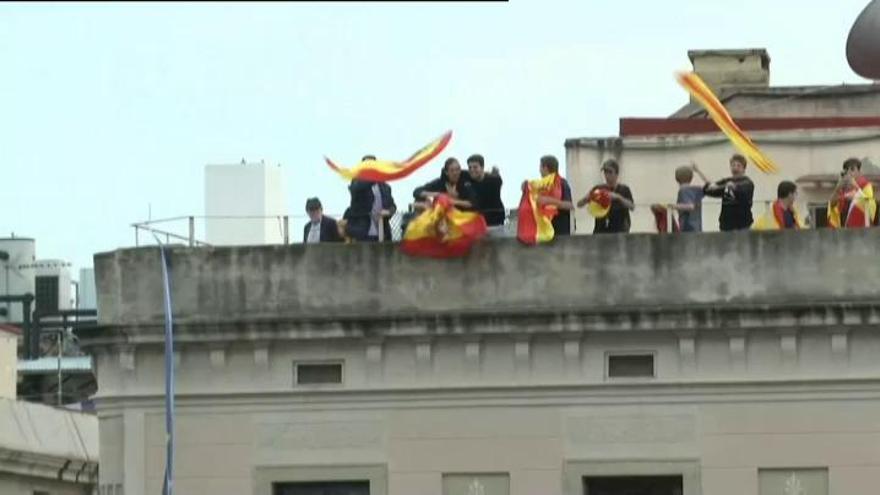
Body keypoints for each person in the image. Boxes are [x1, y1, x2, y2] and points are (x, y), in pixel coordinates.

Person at [344, 155, 397, 242]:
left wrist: (388, 211)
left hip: (382, 231)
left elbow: (392, 205)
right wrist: (372, 177)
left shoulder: (385, 187)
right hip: (363, 231)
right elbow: (355, 190)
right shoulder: (356, 182)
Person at [577, 159, 635, 234]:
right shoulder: (598, 188)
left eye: (610, 172)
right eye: (605, 172)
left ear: (616, 174)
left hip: (619, 231)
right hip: (600, 230)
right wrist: (587, 198)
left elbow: (632, 206)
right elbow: (579, 204)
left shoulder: (624, 189)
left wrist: (618, 197)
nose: (607, 175)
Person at [702, 154, 754, 231]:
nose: (735, 168)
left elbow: (742, 191)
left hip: (742, 224)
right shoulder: (726, 181)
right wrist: (708, 187)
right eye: (733, 165)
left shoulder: (748, 183)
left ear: (744, 168)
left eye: (738, 166)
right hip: (726, 224)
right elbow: (710, 190)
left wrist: (732, 187)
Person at [827, 157, 878, 228]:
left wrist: (855, 187)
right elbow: (832, 205)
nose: (849, 172)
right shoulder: (843, 188)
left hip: (862, 227)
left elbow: (869, 204)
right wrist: (837, 188)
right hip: (845, 227)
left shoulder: (865, 185)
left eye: (852, 169)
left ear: (859, 172)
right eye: (846, 170)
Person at [413, 157, 477, 210]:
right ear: (446, 172)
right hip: (445, 213)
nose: (455, 173)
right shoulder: (441, 182)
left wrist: (451, 201)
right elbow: (416, 192)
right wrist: (438, 194)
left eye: (457, 169)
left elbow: (472, 203)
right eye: (452, 170)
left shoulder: (466, 181)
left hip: (463, 213)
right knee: (419, 201)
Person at [465, 154, 506, 235]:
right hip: (479, 223)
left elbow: (497, 177)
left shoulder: (494, 181)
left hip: (496, 222)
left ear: (482, 167)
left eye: (475, 167)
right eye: (470, 167)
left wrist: (494, 171)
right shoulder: (468, 179)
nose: (472, 170)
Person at [667, 163, 707, 232]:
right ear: (691, 178)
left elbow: (690, 206)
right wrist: (698, 171)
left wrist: (673, 206)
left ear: (676, 179)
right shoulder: (697, 189)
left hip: (687, 227)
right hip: (698, 228)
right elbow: (710, 185)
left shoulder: (683, 190)